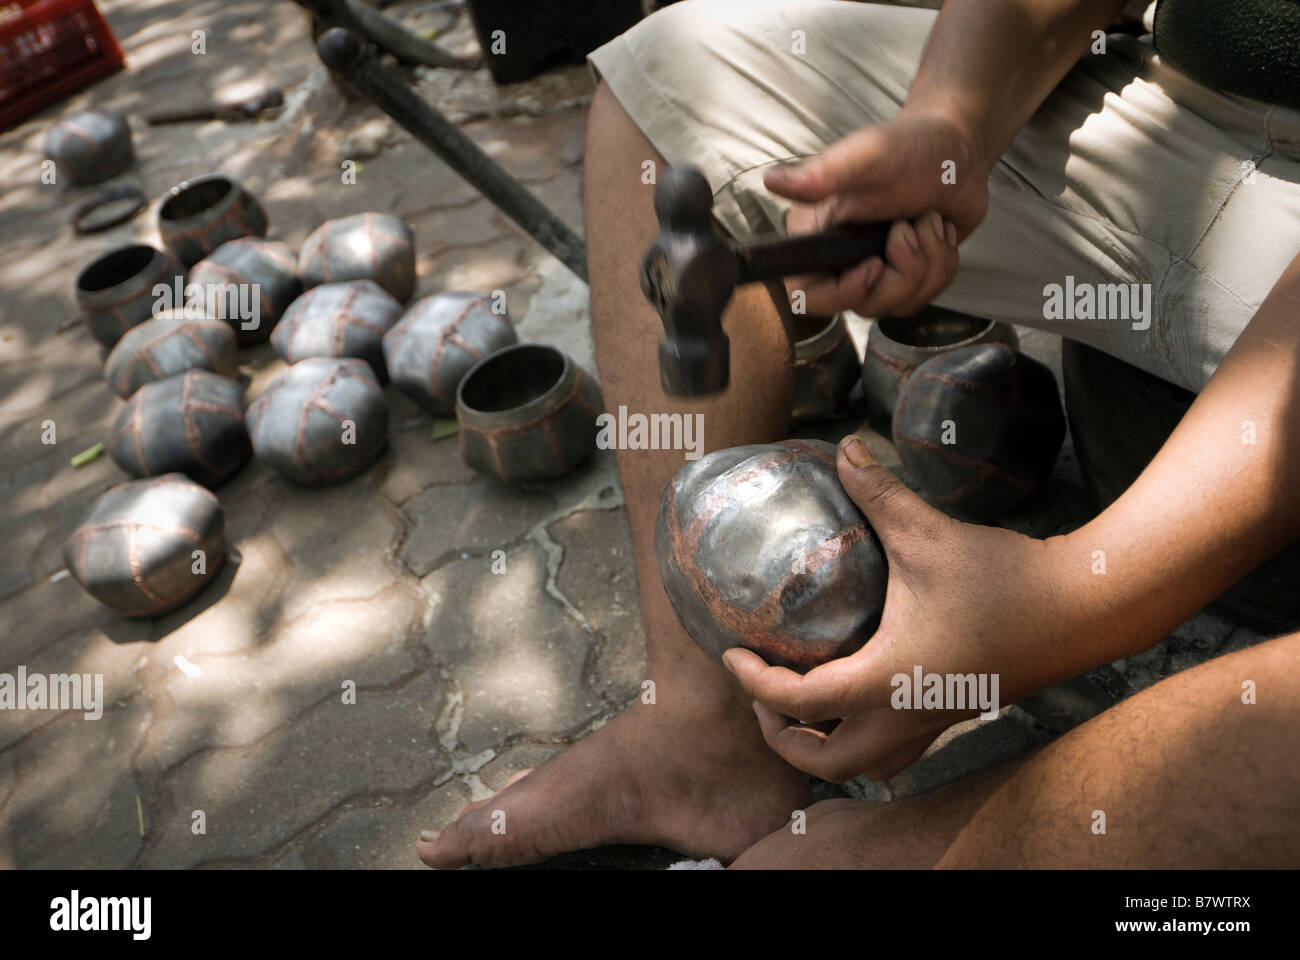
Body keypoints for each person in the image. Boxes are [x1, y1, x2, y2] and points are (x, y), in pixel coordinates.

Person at [417, 0, 1300, 868]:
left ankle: (921, 851)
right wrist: (953, 124)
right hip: (1194, 112)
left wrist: (1071, 599)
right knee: (671, 83)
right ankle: (702, 738)